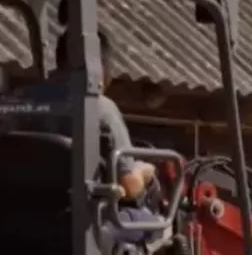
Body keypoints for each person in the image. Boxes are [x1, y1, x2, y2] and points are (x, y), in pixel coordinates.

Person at [8, 27, 155, 199]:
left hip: (12, 213)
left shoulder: (16, 101)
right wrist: (144, 170)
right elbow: (129, 186)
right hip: (76, 216)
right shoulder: (99, 107)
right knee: (156, 220)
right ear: (100, 68)